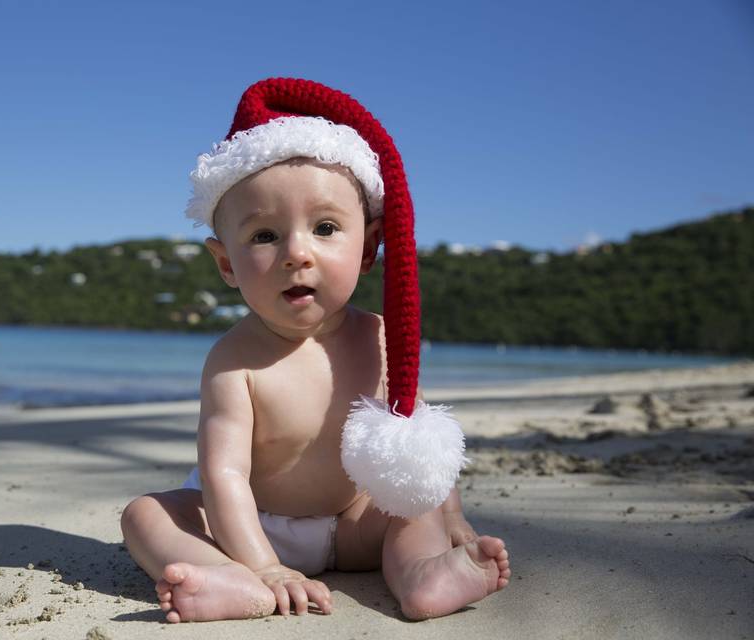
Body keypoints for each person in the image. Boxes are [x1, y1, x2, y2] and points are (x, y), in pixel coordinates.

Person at [121, 78, 511, 623]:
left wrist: (452, 515)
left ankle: (421, 575)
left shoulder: (379, 339)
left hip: (356, 526)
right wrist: (264, 565)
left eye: (325, 228)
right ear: (226, 263)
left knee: (413, 508)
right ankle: (232, 581)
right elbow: (224, 476)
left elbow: (418, 442)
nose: (296, 253)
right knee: (147, 514)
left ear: (369, 246)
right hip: (255, 528)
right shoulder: (233, 361)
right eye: (264, 236)